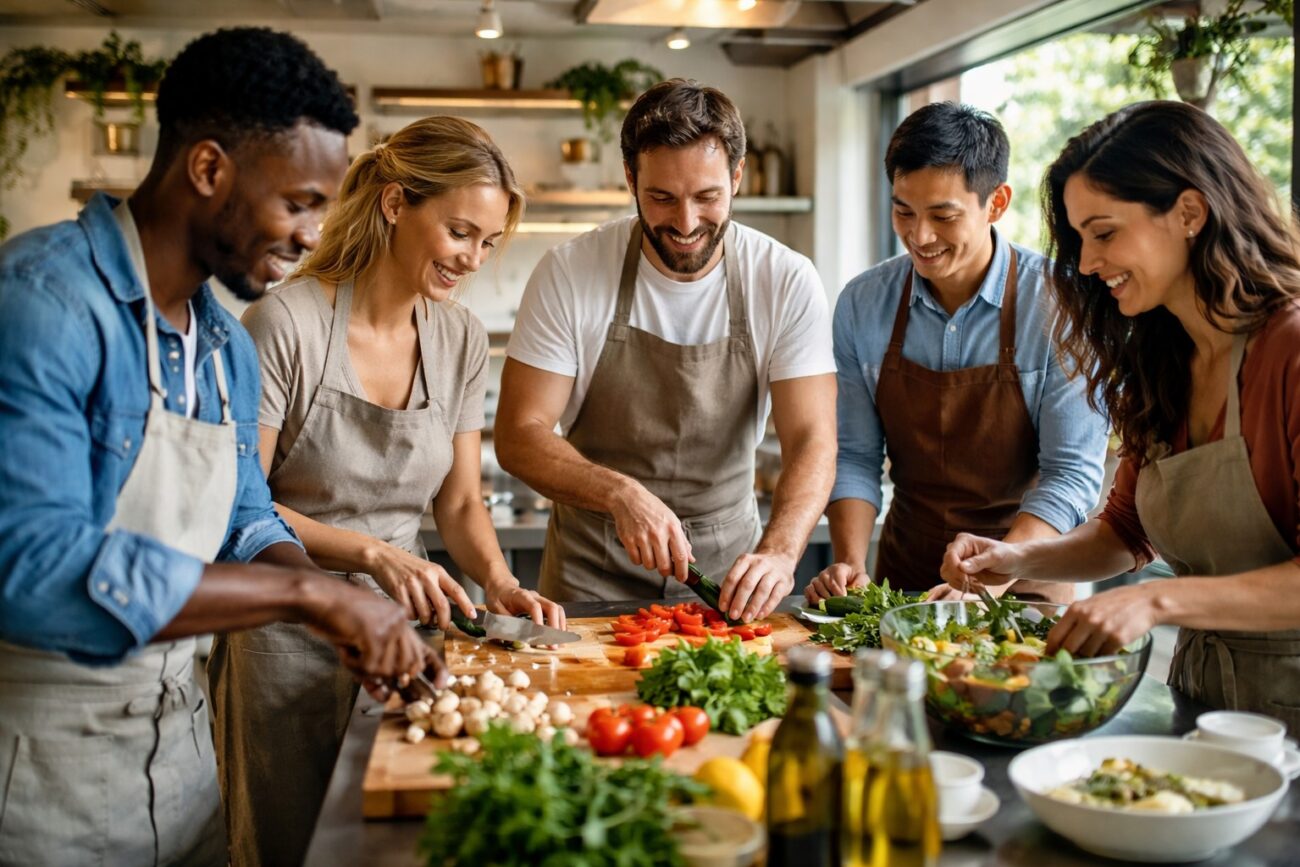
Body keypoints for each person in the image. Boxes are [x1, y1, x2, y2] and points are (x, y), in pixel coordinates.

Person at [0, 28, 439, 867]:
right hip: (41, 779)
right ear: (208, 168)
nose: (312, 234)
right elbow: (29, 567)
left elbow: (243, 519)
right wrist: (312, 599)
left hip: (184, 765)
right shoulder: (43, 303)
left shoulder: (225, 347)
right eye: (299, 202)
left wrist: (334, 601)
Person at [209, 115, 566, 867]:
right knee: (287, 844)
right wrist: (372, 553)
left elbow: (460, 503)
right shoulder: (283, 323)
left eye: (488, 242)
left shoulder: (461, 338)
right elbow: (236, 501)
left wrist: (500, 581)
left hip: (407, 633)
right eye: (460, 232)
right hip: (284, 633)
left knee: (397, 843)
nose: (472, 259)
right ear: (396, 203)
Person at [940, 100, 1300, 730]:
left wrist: (1157, 601)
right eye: (1080, 239)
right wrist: (1018, 560)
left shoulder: (1290, 349)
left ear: (1189, 213)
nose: (1085, 263)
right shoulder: (1163, 361)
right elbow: (1125, 535)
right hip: (1204, 704)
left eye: (1104, 233)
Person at [495, 79, 837, 621]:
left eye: (707, 197)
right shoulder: (570, 272)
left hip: (729, 576)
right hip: (590, 573)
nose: (686, 223)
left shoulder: (784, 279)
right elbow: (519, 434)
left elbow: (813, 439)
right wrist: (619, 494)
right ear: (631, 179)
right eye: (661, 198)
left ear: (737, 177)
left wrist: (779, 552)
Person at [806, 102, 1108, 605]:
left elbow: (1070, 474)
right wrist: (851, 565)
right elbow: (856, 455)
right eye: (904, 212)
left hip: (1026, 582)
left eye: (943, 216)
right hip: (903, 579)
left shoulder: (1060, 305)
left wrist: (994, 576)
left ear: (997, 203)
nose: (920, 236)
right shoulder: (863, 303)